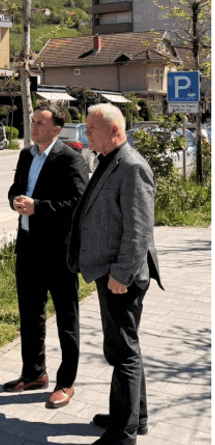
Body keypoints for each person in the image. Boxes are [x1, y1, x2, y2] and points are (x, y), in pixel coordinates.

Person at [66, 104, 163, 445]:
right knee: (126, 349)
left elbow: (138, 231)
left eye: (92, 129)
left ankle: (122, 433)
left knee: (122, 353)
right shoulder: (109, 159)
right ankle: (136, 417)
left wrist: (121, 274)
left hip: (122, 276)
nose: (86, 134)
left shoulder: (132, 166)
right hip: (112, 272)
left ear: (115, 131)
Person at [4, 104, 88, 408]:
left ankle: (66, 383)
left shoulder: (71, 159)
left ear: (56, 129)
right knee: (30, 314)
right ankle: (34, 373)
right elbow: (15, 188)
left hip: (59, 252)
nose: (34, 126)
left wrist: (39, 206)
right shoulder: (27, 154)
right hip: (27, 247)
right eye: (33, 121)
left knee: (67, 318)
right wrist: (16, 200)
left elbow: (78, 204)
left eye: (40, 122)